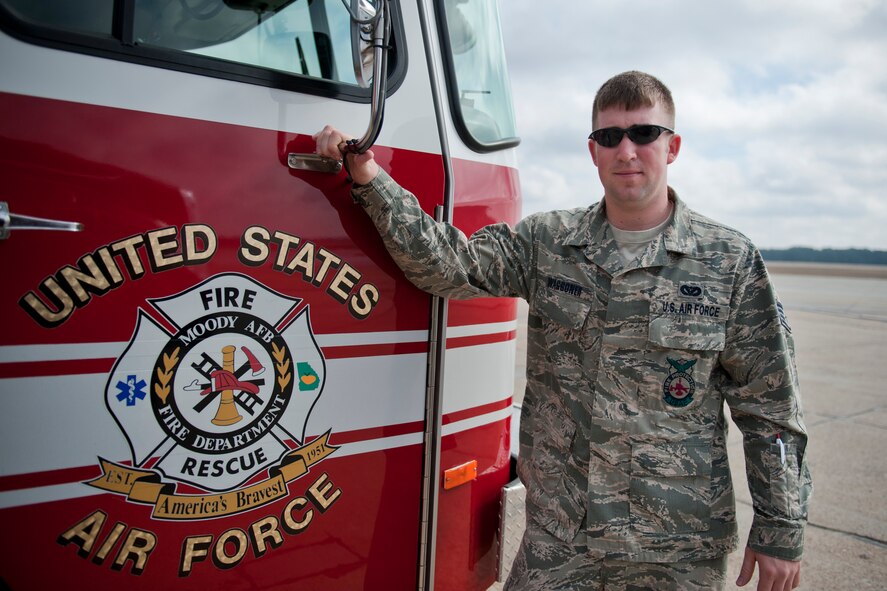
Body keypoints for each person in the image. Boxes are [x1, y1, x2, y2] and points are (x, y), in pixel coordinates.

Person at [314, 70, 812, 591]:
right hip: (561, 537)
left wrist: (780, 529)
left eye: (643, 134)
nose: (627, 151)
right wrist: (370, 176)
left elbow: (772, 409)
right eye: (609, 137)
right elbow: (447, 263)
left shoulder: (728, 261)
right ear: (592, 151)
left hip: (676, 547)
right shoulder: (547, 243)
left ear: (672, 146)